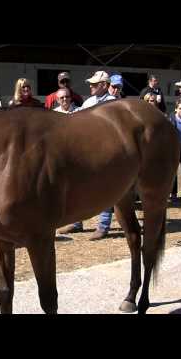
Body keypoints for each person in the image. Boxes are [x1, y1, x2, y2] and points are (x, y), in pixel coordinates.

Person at [57, 71, 117, 239]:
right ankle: (77, 222)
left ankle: (103, 226)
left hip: (105, 150)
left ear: (104, 85)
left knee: (105, 188)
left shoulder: (113, 104)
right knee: (79, 186)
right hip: (85, 151)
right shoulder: (89, 102)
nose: (90, 86)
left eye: (94, 84)